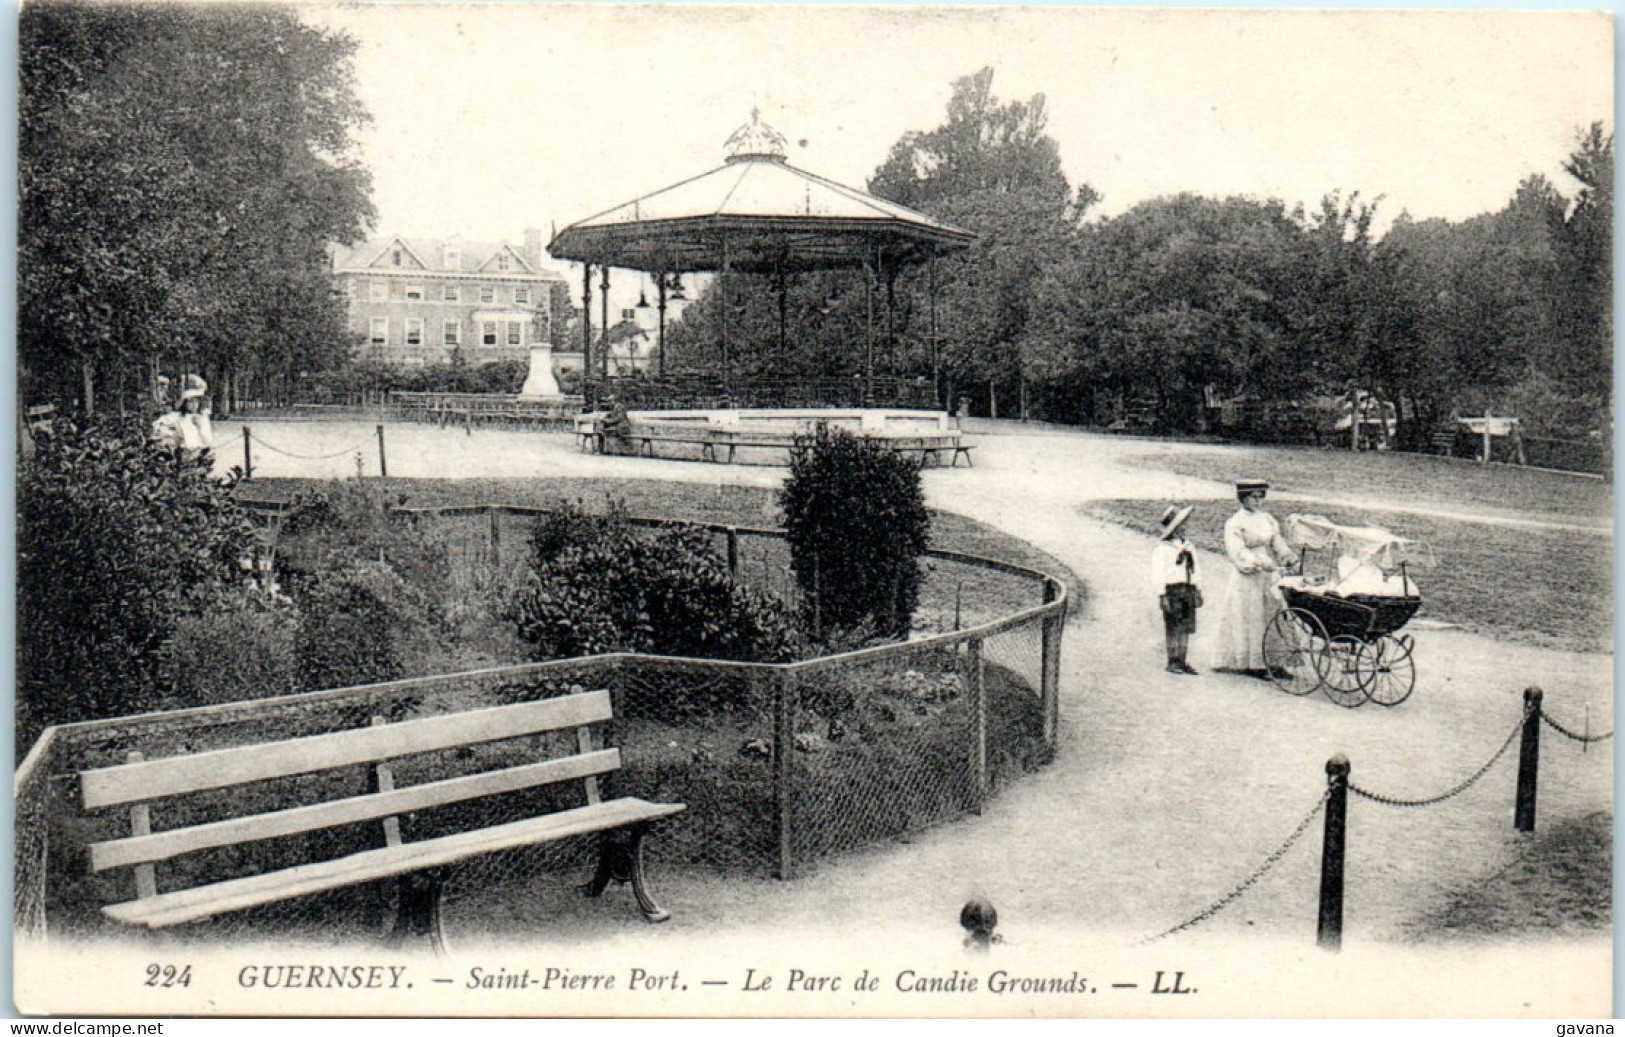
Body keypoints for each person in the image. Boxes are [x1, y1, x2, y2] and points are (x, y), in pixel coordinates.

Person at [1210, 479, 1298, 678]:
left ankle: (1275, 662)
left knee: (1274, 612)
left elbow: (1276, 541)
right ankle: (1254, 663)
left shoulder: (1267, 519)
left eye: (1261, 497)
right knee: (1252, 616)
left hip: (1268, 573)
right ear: (1243, 499)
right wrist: (1257, 561)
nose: (1258, 502)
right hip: (1248, 576)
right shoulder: (1234, 522)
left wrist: (1288, 556)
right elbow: (1237, 551)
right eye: (1253, 497)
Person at [1150, 504, 1201, 675]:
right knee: (1173, 625)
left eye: (1184, 525)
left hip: (1187, 588)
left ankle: (1182, 659)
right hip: (1172, 590)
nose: (1183, 528)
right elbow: (1157, 574)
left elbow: (1195, 569)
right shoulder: (1163, 549)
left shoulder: (1188, 547)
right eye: (1180, 526)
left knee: (1186, 626)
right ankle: (1172, 660)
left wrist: (1197, 588)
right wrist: (1162, 594)